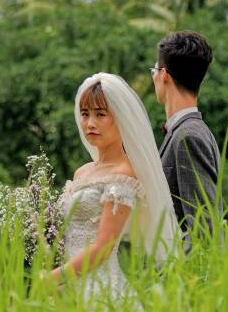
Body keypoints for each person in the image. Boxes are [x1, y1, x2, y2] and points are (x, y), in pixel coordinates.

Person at [49, 73, 179, 303]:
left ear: (120, 118)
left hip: (100, 290)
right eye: (85, 114)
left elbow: (104, 247)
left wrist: (52, 278)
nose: (90, 123)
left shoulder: (123, 175)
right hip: (66, 285)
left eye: (100, 115)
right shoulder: (82, 172)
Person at [152, 31, 222, 250]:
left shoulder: (189, 137)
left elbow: (203, 231)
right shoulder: (189, 131)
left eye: (154, 70)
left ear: (164, 75)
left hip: (181, 280)